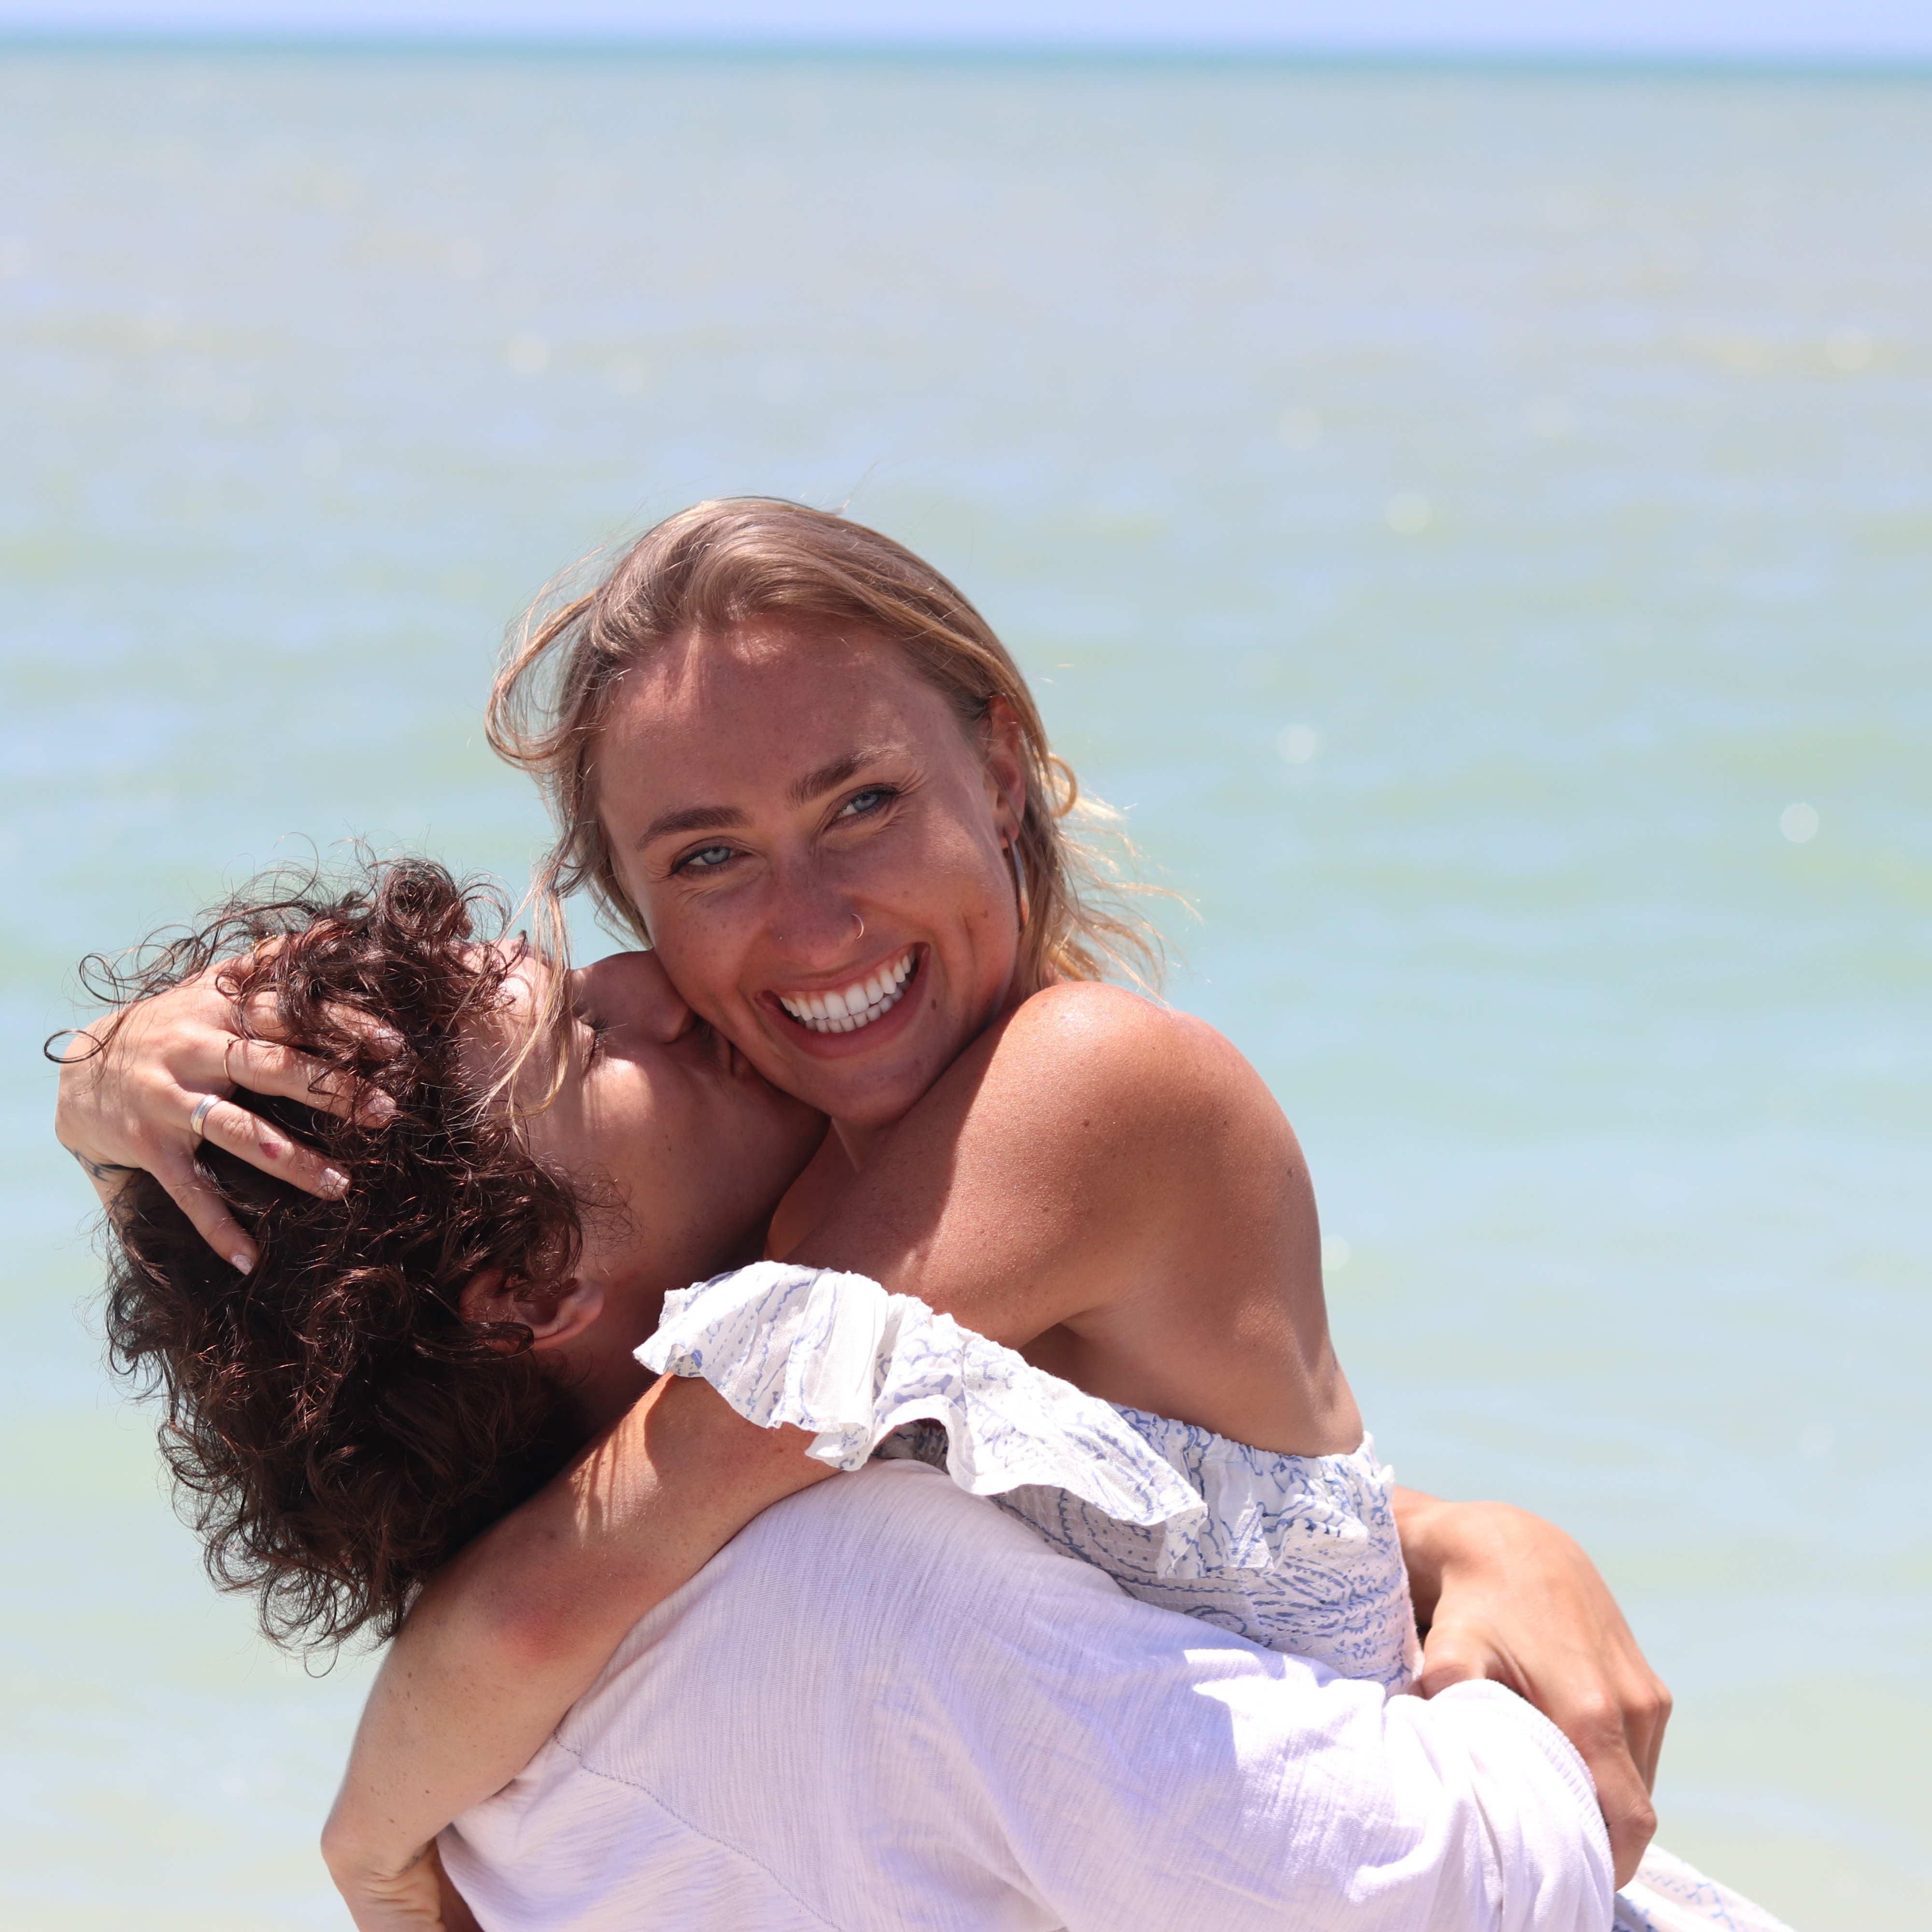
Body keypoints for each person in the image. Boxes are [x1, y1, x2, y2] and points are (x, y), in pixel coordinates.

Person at [61, 504, 1763, 1931]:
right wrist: (114, 1083)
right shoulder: (790, 1226)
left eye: (861, 802)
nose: (793, 929)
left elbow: (640, 1491)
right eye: (707, 863)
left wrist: (376, 1831)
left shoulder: (1070, 1089)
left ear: (1004, 763)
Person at [57, 855, 1621, 1929]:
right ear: (526, 1292)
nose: (651, 982)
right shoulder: (850, 1596)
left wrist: (1462, 1541)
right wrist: (1510, 1705)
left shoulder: (522, 1736)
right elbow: (1477, 1897)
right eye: (592, 1040)